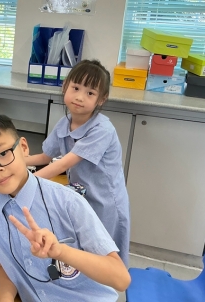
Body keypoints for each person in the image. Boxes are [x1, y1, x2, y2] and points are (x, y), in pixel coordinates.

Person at [0, 113, 131, 302]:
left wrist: (61, 252)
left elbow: (121, 279)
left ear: (23, 148)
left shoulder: (68, 202)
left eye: (3, 153)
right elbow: (3, 265)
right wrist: (5, 297)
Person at [25, 59, 130, 267]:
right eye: (75, 88)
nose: (80, 97)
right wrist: (14, 164)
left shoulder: (102, 129)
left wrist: (25, 183)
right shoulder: (64, 123)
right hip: (81, 196)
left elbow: (63, 164)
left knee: (104, 255)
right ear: (65, 87)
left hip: (105, 202)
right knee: (81, 250)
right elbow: (45, 157)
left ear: (101, 99)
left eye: (90, 93)